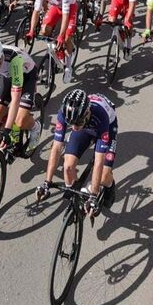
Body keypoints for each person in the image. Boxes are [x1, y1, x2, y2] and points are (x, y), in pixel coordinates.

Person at [36, 88, 117, 218]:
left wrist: (93, 195)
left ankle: (110, 186)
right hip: (85, 126)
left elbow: (99, 161)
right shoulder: (65, 114)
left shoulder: (101, 116)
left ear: (87, 112)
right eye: (71, 123)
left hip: (105, 126)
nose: (73, 127)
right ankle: (77, 198)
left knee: (103, 176)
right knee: (68, 167)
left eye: (77, 123)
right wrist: (47, 181)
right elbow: (56, 148)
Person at [26, 0, 78, 83]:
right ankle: (58, 51)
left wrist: (61, 35)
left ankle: (69, 66)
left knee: (66, 38)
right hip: (56, 7)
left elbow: (65, 16)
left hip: (70, 9)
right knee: (44, 31)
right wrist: (31, 30)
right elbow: (36, 11)